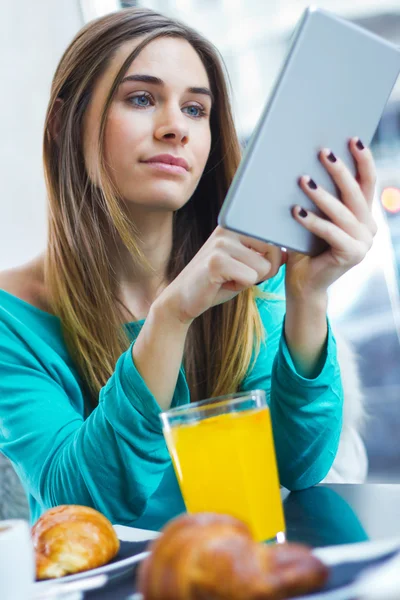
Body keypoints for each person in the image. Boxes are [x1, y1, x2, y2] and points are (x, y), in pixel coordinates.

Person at [0, 7, 377, 529]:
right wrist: (170, 316)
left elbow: (299, 468)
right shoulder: (11, 319)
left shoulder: (246, 277)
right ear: (65, 123)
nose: (176, 127)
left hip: (239, 570)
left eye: (196, 109)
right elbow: (81, 507)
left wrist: (309, 295)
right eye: (140, 98)